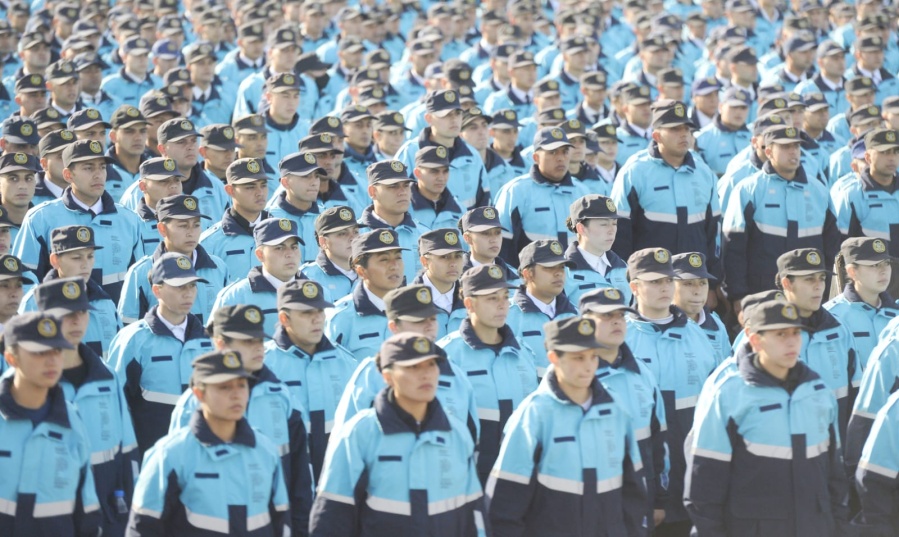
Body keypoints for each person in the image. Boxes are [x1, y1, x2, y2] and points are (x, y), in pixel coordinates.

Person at [684, 300, 849, 536]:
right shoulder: (728, 395)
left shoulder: (819, 392)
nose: (792, 341)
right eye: (780, 334)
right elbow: (704, 485)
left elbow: (834, 477)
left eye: (796, 332)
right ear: (754, 339)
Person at [486, 316, 650, 536]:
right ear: (554, 358)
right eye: (578, 358)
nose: (588, 366)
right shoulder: (534, 415)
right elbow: (506, 503)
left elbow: (633, 492)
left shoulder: (616, 409)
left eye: (593, 357)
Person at [310, 332, 484, 536]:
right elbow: (332, 517)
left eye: (431, 364)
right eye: (413, 367)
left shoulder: (456, 434)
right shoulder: (359, 435)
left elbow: (474, 515)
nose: (426, 374)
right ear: (387, 377)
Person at [167, 304, 313, 532]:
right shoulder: (193, 403)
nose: (258, 348)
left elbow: (300, 478)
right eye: (247, 342)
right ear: (220, 344)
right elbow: (174, 479)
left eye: (259, 341)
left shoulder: (282, 398)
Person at [126, 349, 291, 537]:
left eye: (241, 385)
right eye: (225, 387)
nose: (236, 394)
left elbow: (281, 521)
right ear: (199, 394)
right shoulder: (169, 455)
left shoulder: (264, 450)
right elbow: (143, 528)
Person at [34, 276, 139, 537]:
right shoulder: (26, 383)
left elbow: (127, 451)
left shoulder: (107, 377)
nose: (76, 321)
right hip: (49, 510)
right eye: (66, 314)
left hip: (107, 508)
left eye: (81, 312)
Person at [625, 246, 718, 536]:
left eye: (667, 280)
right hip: (639, 476)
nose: (663, 287)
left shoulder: (697, 335)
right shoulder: (622, 337)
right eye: (654, 281)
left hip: (690, 474)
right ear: (634, 287)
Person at [0, 312, 101, 536]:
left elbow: (86, 512)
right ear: (11, 358)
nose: (52, 360)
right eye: (39, 352)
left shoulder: (72, 421)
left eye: (57, 350)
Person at [439, 264, 538, 483]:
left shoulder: (524, 353)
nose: (502, 305)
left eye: (504, 297)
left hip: (521, 471)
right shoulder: (447, 355)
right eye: (492, 299)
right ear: (469, 304)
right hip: (468, 474)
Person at [722, 125, 840, 307]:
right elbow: (734, 248)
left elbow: (831, 247)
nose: (793, 152)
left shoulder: (819, 191)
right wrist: (738, 295)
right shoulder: (748, 190)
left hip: (811, 295)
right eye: (785, 147)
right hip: (761, 294)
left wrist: (830, 293)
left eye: (796, 146)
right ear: (768, 151)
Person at [580, 287, 669, 530]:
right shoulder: (574, 377)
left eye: (620, 315)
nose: (616, 322)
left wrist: (659, 498)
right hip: (587, 501)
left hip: (638, 498)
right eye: (606, 316)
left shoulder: (641, 373)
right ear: (586, 323)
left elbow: (657, 439)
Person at [107, 252, 212, 455]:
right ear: (157, 290)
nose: (188, 293)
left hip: (201, 454)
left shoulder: (210, 341)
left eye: (192, 286)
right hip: (150, 453)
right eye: (180, 286)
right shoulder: (133, 340)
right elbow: (115, 403)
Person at [13, 139, 144, 302]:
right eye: (88, 168)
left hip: (110, 322)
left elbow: (139, 281)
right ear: (68, 175)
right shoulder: (41, 218)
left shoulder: (128, 219)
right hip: (59, 320)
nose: (98, 174)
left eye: (102, 167)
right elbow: (24, 280)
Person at [611, 100, 721, 289]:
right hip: (650, 283)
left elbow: (713, 235)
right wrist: (625, 283)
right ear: (656, 136)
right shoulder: (635, 171)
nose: (683, 134)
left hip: (693, 283)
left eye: (686, 128)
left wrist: (712, 285)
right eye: (675, 129)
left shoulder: (704, 172)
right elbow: (619, 235)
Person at [774, 248, 859, 438]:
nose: (819, 286)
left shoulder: (839, 330)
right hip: (782, 454)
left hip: (833, 450)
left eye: (821, 278)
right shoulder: (762, 335)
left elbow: (856, 393)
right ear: (787, 283)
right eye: (809, 279)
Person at [118, 194, 227, 325]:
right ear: (162, 229)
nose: (191, 232)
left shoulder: (218, 267)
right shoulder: (141, 272)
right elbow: (129, 327)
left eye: (196, 225)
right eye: (183, 225)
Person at [18, 224, 121, 357]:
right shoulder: (34, 302)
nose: (85, 264)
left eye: (90, 256)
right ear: (55, 260)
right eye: (76, 258)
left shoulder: (105, 302)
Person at [495, 127, 589, 265]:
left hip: (576, 280)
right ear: (536, 157)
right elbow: (503, 245)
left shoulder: (582, 192)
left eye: (565, 151)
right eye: (552, 152)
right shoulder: (515, 191)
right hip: (532, 280)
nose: (560, 158)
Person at [394, 89, 489, 210]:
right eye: (446, 115)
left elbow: (484, 201)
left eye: (457, 113)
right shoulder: (410, 152)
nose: (454, 119)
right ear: (429, 118)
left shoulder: (472, 155)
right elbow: (393, 200)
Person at [212, 218, 303, 336]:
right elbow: (216, 344)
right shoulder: (236, 296)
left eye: (294, 247)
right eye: (279, 248)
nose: (290, 254)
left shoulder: (318, 292)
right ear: (260, 255)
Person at [325, 229, 406, 360]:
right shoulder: (341, 317)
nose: (394, 266)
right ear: (362, 271)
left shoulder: (416, 310)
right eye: (384, 259)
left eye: (398, 258)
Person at [825, 238, 898, 372]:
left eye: (886, 263)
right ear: (852, 271)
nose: (883, 271)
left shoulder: (896, 314)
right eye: (874, 265)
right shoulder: (831, 316)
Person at [506, 239, 579, 376]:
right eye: (549, 268)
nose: (558, 273)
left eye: (562, 267)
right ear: (528, 274)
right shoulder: (506, 316)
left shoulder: (576, 316)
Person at [199, 157, 271, 284]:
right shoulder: (211, 242)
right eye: (250, 187)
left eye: (263, 185)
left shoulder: (283, 233)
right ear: (230, 190)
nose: (260, 192)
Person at [357, 159, 428, 283]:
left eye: (406, 185)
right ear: (372, 192)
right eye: (393, 186)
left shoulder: (425, 235)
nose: (402, 192)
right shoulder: (355, 236)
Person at [564, 194, 631, 307]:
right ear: (581, 228)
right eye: (604, 224)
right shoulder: (563, 271)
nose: (611, 231)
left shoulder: (623, 267)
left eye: (614, 223)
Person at [265, 151, 327, 264]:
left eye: (316, 176)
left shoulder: (327, 217)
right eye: (306, 176)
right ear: (285, 183)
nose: (314, 182)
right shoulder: (268, 219)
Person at [672, 252, 731, 363]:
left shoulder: (717, 325)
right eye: (688, 283)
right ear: (671, 286)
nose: (697, 291)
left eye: (703, 283)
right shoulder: (661, 325)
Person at [413, 228, 466, 338]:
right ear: (424, 262)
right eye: (444, 257)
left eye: (458, 256)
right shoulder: (406, 302)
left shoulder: (474, 299)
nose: (453, 263)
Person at [300, 205, 359, 302]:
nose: (352, 238)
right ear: (323, 242)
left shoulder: (372, 272)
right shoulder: (307, 278)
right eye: (342, 233)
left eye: (355, 232)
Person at [409, 145, 465, 231]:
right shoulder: (404, 208)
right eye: (434, 171)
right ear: (417, 173)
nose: (441, 178)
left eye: (445, 171)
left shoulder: (460, 209)